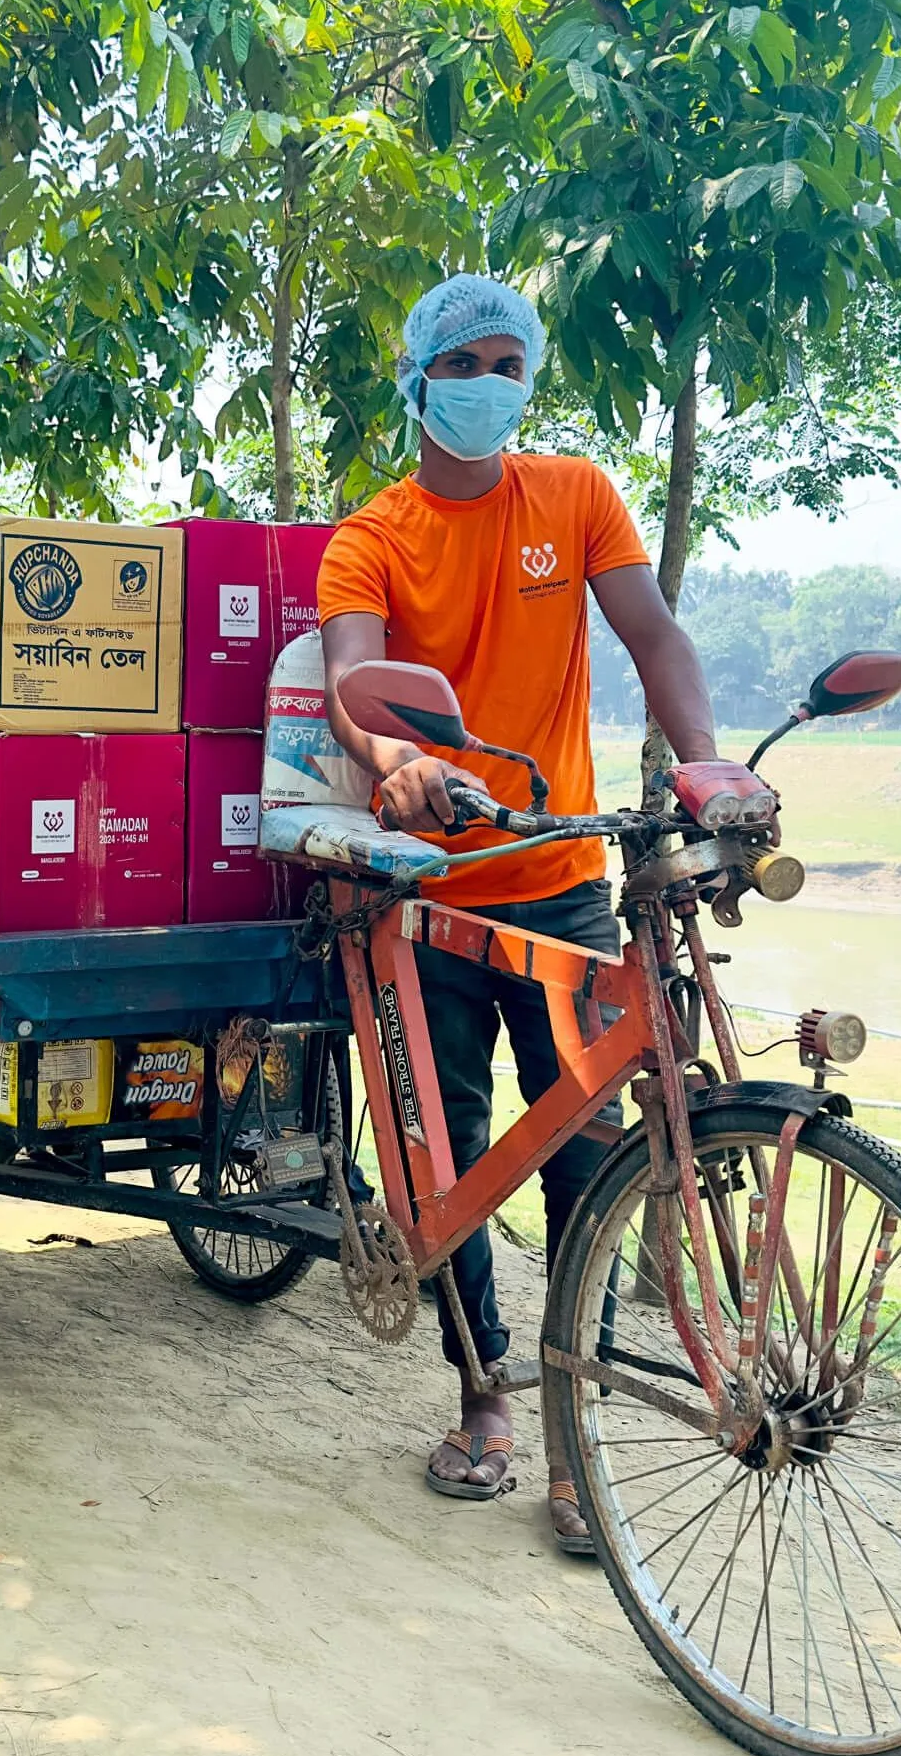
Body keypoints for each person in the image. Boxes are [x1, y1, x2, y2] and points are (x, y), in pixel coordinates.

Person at [316, 274, 766, 1556]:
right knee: (442, 1160)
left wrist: (705, 758)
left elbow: (655, 634)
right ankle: (482, 1396)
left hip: (560, 870)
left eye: (514, 362)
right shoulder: (374, 536)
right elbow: (356, 681)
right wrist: (396, 761)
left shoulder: (573, 496)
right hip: (431, 888)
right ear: (421, 380)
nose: (494, 382)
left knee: (585, 1148)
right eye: (469, 362)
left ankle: (575, 1433)